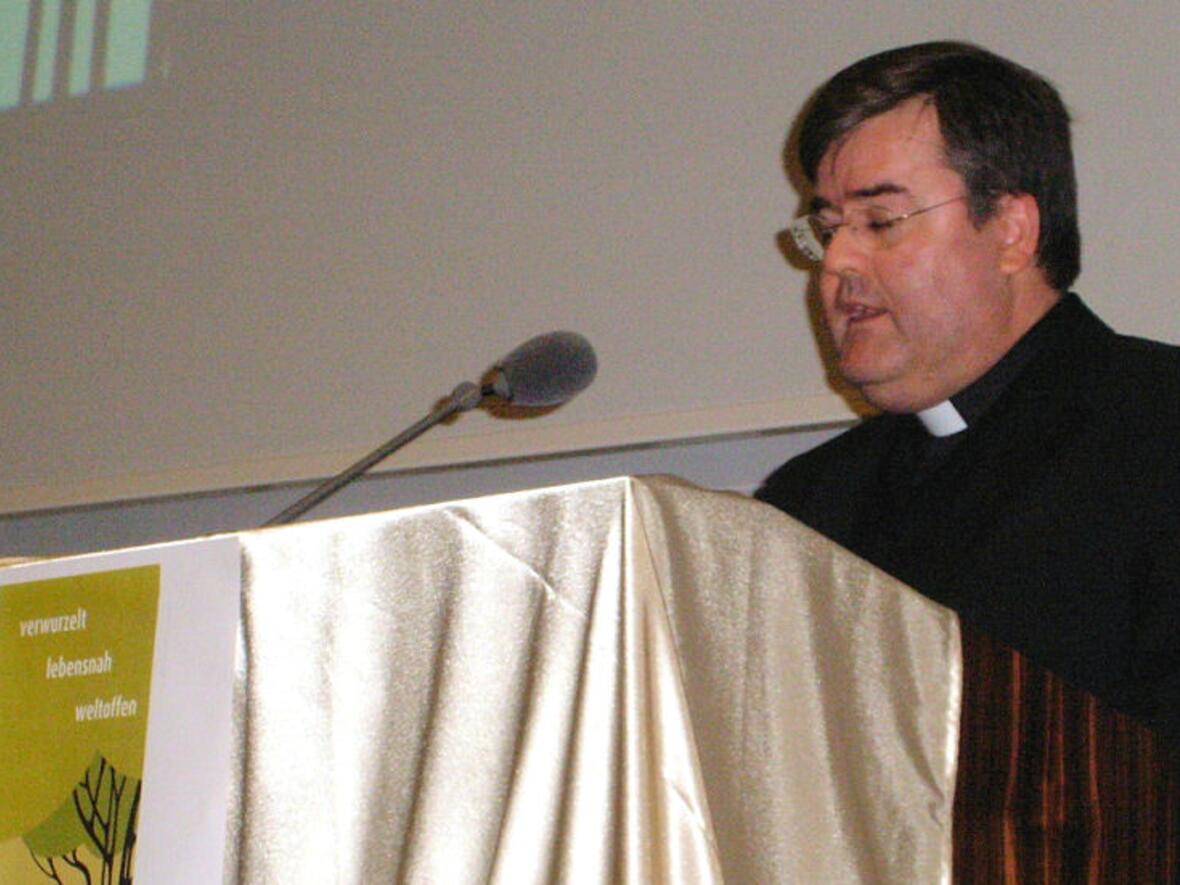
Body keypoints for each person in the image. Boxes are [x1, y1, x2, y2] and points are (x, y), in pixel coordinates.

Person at [756, 41, 1180, 739]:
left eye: (880, 221)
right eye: (828, 230)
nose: (836, 263)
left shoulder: (1158, 426)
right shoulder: (805, 510)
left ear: (1012, 230)